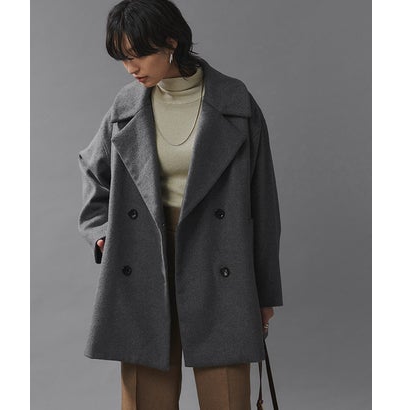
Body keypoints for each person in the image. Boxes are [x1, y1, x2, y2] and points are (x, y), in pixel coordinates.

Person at [77, 0, 283, 408]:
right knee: (145, 397)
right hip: (144, 256)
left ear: (171, 42)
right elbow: (92, 169)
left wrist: (264, 292)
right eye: (123, 58)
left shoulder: (235, 101)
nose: (131, 68)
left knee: (227, 396)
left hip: (218, 255)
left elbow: (263, 203)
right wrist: (102, 234)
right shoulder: (126, 105)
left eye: (138, 55)